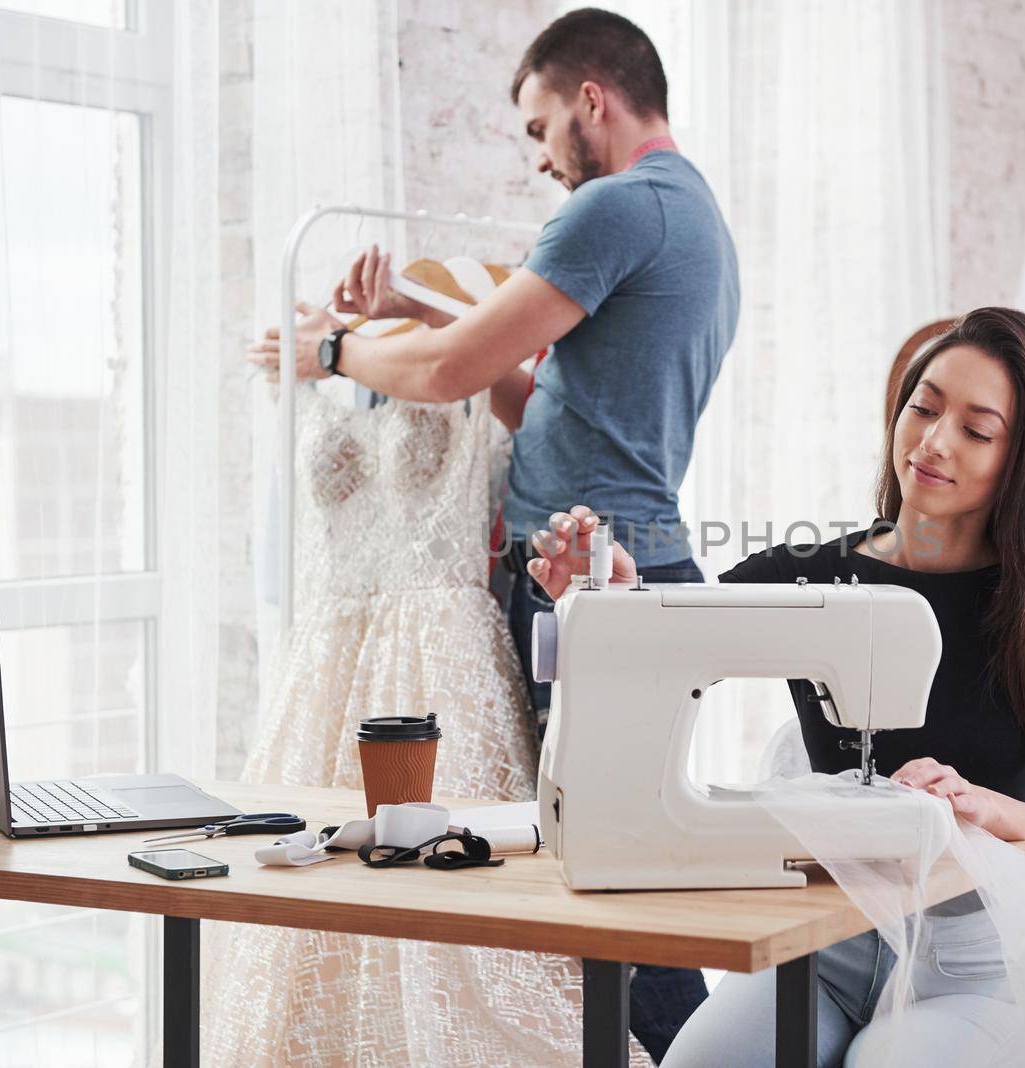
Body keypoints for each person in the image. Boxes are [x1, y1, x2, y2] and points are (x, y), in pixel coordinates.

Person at [248, 8, 740, 1058]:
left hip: (592, 578)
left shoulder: (615, 207)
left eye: (536, 127)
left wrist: (332, 349)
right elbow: (538, 402)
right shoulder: (692, 214)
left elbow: (449, 378)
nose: (537, 159)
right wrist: (418, 308)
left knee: (607, 881)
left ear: (590, 102)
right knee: (612, 860)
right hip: (631, 562)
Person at [528, 308, 1025, 1066]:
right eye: (924, 406)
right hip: (821, 939)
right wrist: (606, 598)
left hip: (964, 964)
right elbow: (679, 634)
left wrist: (986, 807)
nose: (935, 441)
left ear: (1023, 458)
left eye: (976, 430)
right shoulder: (802, 574)